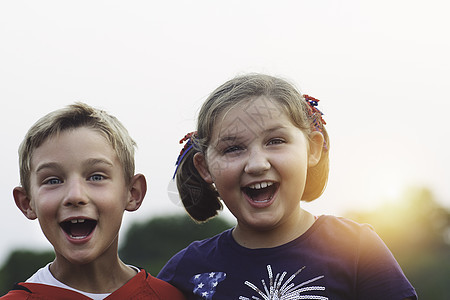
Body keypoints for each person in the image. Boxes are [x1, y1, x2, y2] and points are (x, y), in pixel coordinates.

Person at [157, 74, 418, 300]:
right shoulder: (185, 271)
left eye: (276, 140)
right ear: (205, 168)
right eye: (233, 148)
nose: (257, 164)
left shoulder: (358, 249)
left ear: (312, 149)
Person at [2, 103, 185, 299]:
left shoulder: (170, 296)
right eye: (53, 181)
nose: (75, 196)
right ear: (27, 203)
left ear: (133, 192)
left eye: (96, 177)